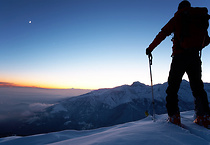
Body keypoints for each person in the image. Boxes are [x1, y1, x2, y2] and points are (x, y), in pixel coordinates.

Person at [146, 0, 210, 127]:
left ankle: (174, 117)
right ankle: (204, 117)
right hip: (195, 57)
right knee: (198, 87)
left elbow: (163, 33)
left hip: (179, 57)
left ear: (179, 8)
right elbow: (206, 40)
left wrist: (150, 48)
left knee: (173, 87)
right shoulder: (198, 19)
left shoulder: (177, 18)